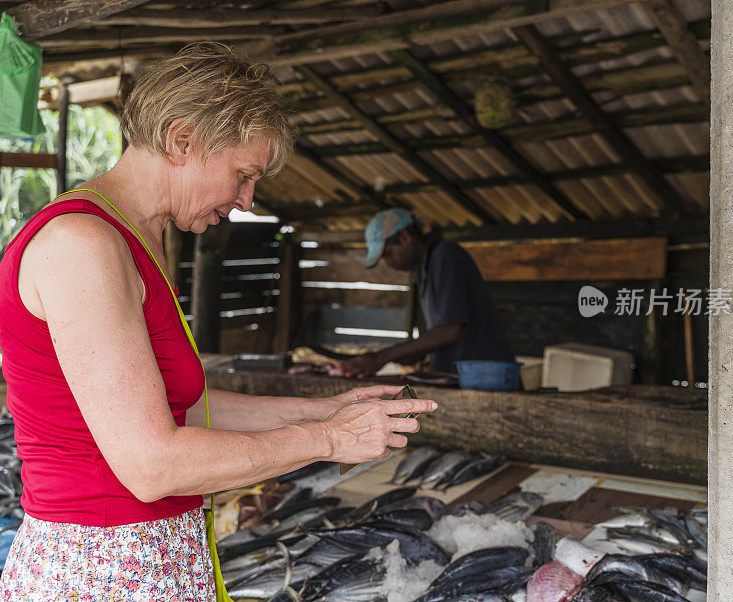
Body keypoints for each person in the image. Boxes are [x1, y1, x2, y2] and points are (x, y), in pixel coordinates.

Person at [0, 43, 436, 600]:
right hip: (97, 568)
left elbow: (182, 405)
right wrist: (326, 438)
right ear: (182, 139)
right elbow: (153, 464)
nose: (248, 201)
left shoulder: (141, 239)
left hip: (150, 557)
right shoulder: (81, 246)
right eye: (243, 175)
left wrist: (323, 407)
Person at [340, 208, 515, 378]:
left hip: (487, 378)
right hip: (461, 376)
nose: (388, 262)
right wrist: (412, 353)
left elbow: (449, 331)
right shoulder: (423, 270)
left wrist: (380, 357)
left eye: (388, 253)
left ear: (405, 237)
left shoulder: (446, 257)